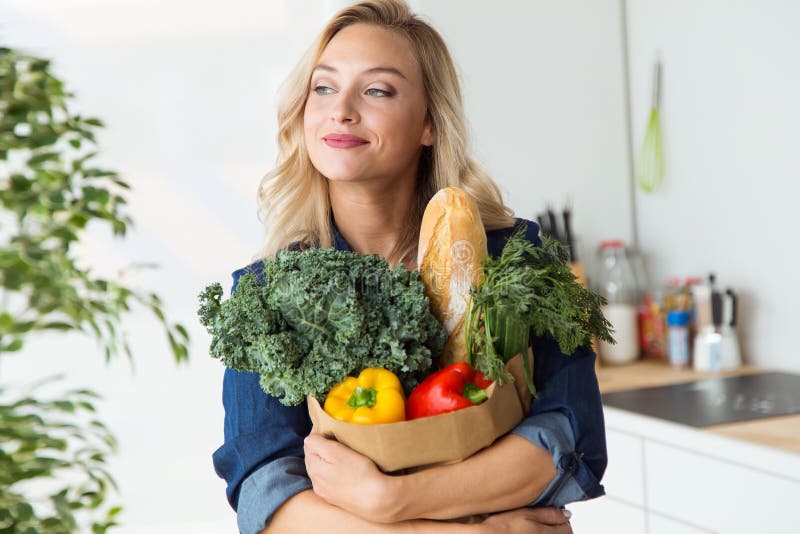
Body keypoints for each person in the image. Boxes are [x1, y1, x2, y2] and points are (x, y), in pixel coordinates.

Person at [212, 1, 606, 532]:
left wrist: (387, 501)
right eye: (324, 87)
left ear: (428, 123)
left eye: (376, 90)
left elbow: (567, 438)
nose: (341, 110)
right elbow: (270, 499)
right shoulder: (265, 294)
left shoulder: (514, 257)